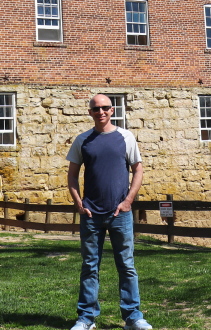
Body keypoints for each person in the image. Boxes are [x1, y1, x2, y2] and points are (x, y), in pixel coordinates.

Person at [66, 94, 151, 330]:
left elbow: (138, 170)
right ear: (90, 112)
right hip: (91, 215)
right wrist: (78, 204)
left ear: (112, 110)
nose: (100, 112)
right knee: (89, 266)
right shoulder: (82, 140)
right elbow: (72, 175)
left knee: (126, 265)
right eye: (96, 109)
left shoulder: (126, 137)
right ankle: (86, 318)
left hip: (119, 214)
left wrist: (128, 201)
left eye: (105, 108)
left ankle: (133, 317)